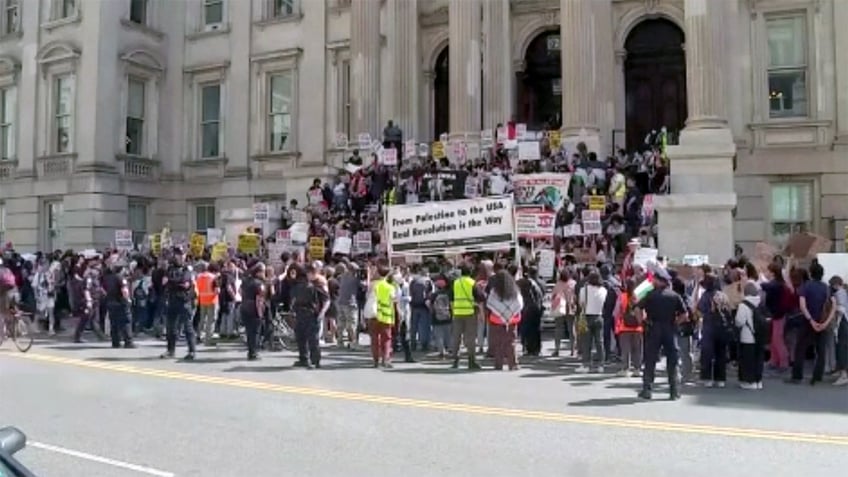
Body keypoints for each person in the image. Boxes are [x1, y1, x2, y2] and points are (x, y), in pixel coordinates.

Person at [635, 267, 687, 400]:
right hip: (669, 328)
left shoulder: (650, 295)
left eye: (654, 279)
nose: (652, 282)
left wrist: (642, 322)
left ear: (659, 281)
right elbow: (684, 315)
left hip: (653, 328)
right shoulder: (674, 295)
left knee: (650, 359)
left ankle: (647, 389)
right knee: (672, 360)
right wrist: (675, 323)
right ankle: (674, 391)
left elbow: (637, 309)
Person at [789, 261, 836, 385]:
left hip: (807, 322)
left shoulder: (806, 286)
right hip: (823, 321)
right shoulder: (826, 287)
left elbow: (802, 306)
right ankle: (817, 377)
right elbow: (833, 306)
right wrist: (825, 323)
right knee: (821, 351)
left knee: (800, 349)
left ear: (811, 273)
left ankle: (797, 376)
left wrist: (811, 320)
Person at [160, 247, 197, 361]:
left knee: (188, 327)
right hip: (172, 300)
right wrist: (176, 282)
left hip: (184, 301)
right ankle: (170, 351)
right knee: (171, 327)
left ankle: (192, 351)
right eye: (177, 254)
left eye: (181, 254)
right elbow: (163, 282)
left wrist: (172, 282)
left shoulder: (187, 269)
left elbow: (185, 284)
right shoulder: (170, 268)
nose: (179, 256)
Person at [291, 263, 328, 368]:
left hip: (311, 314)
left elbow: (326, 300)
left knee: (313, 339)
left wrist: (321, 313)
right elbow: (294, 299)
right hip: (300, 313)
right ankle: (304, 358)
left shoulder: (318, 285)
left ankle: (315, 360)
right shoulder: (300, 285)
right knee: (300, 337)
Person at [486, 270, 523, 371]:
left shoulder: (494, 291)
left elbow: (490, 304)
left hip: (496, 319)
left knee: (498, 342)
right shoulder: (515, 290)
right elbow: (519, 303)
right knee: (511, 341)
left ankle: (498, 365)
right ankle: (513, 364)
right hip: (513, 319)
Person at [449, 263, 480, 370]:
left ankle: (455, 360)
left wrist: (453, 311)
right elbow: (480, 297)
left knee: (456, 337)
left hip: (457, 313)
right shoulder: (472, 283)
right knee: (470, 338)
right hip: (470, 313)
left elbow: (451, 299)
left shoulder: (455, 283)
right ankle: (471, 361)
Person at [576, 270, 607, 373]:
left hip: (587, 316)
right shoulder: (603, 290)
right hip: (599, 316)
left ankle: (586, 364)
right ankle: (601, 365)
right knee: (599, 342)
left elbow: (581, 303)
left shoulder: (583, 290)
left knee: (586, 342)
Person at [735, 281, 764, 390]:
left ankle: (748, 381)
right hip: (760, 336)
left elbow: (739, 321)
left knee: (747, 361)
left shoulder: (743, 305)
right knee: (758, 360)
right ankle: (758, 381)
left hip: (747, 336)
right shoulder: (760, 303)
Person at [614, 278, 643, 377]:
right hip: (638, 327)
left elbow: (617, 311)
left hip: (624, 327)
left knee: (625, 349)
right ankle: (637, 369)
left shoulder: (622, 296)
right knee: (637, 349)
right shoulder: (639, 296)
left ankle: (625, 369)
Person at [103, 261, 135, 349]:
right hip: (120, 302)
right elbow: (124, 290)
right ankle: (128, 342)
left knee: (114, 323)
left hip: (110, 302)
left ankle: (115, 342)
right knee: (126, 322)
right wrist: (128, 299)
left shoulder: (108, 277)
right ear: (122, 269)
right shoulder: (121, 278)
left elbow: (104, 289)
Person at [371, 265, 397, 368]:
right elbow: (393, 300)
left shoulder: (373, 285)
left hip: (373, 315)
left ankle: (375, 360)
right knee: (386, 339)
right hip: (386, 316)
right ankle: (385, 360)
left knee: (374, 339)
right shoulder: (390, 287)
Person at [241, 263, 266, 361]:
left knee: (249, 331)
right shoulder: (259, 283)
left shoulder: (246, 281)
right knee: (255, 331)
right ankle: (253, 353)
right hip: (254, 308)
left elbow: (241, 292)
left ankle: (250, 351)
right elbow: (260, 297)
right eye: (263, 272)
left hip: (245, 306)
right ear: (259, 272)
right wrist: (261, 312)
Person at [196, 262, 220, 346]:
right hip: (212, 300)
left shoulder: (199, 276)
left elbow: (197, 289)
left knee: (202, 319)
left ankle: (199, 336)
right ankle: (208, 339)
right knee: (211, 320)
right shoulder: (214, 277)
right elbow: (217, 290)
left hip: (202, 300)